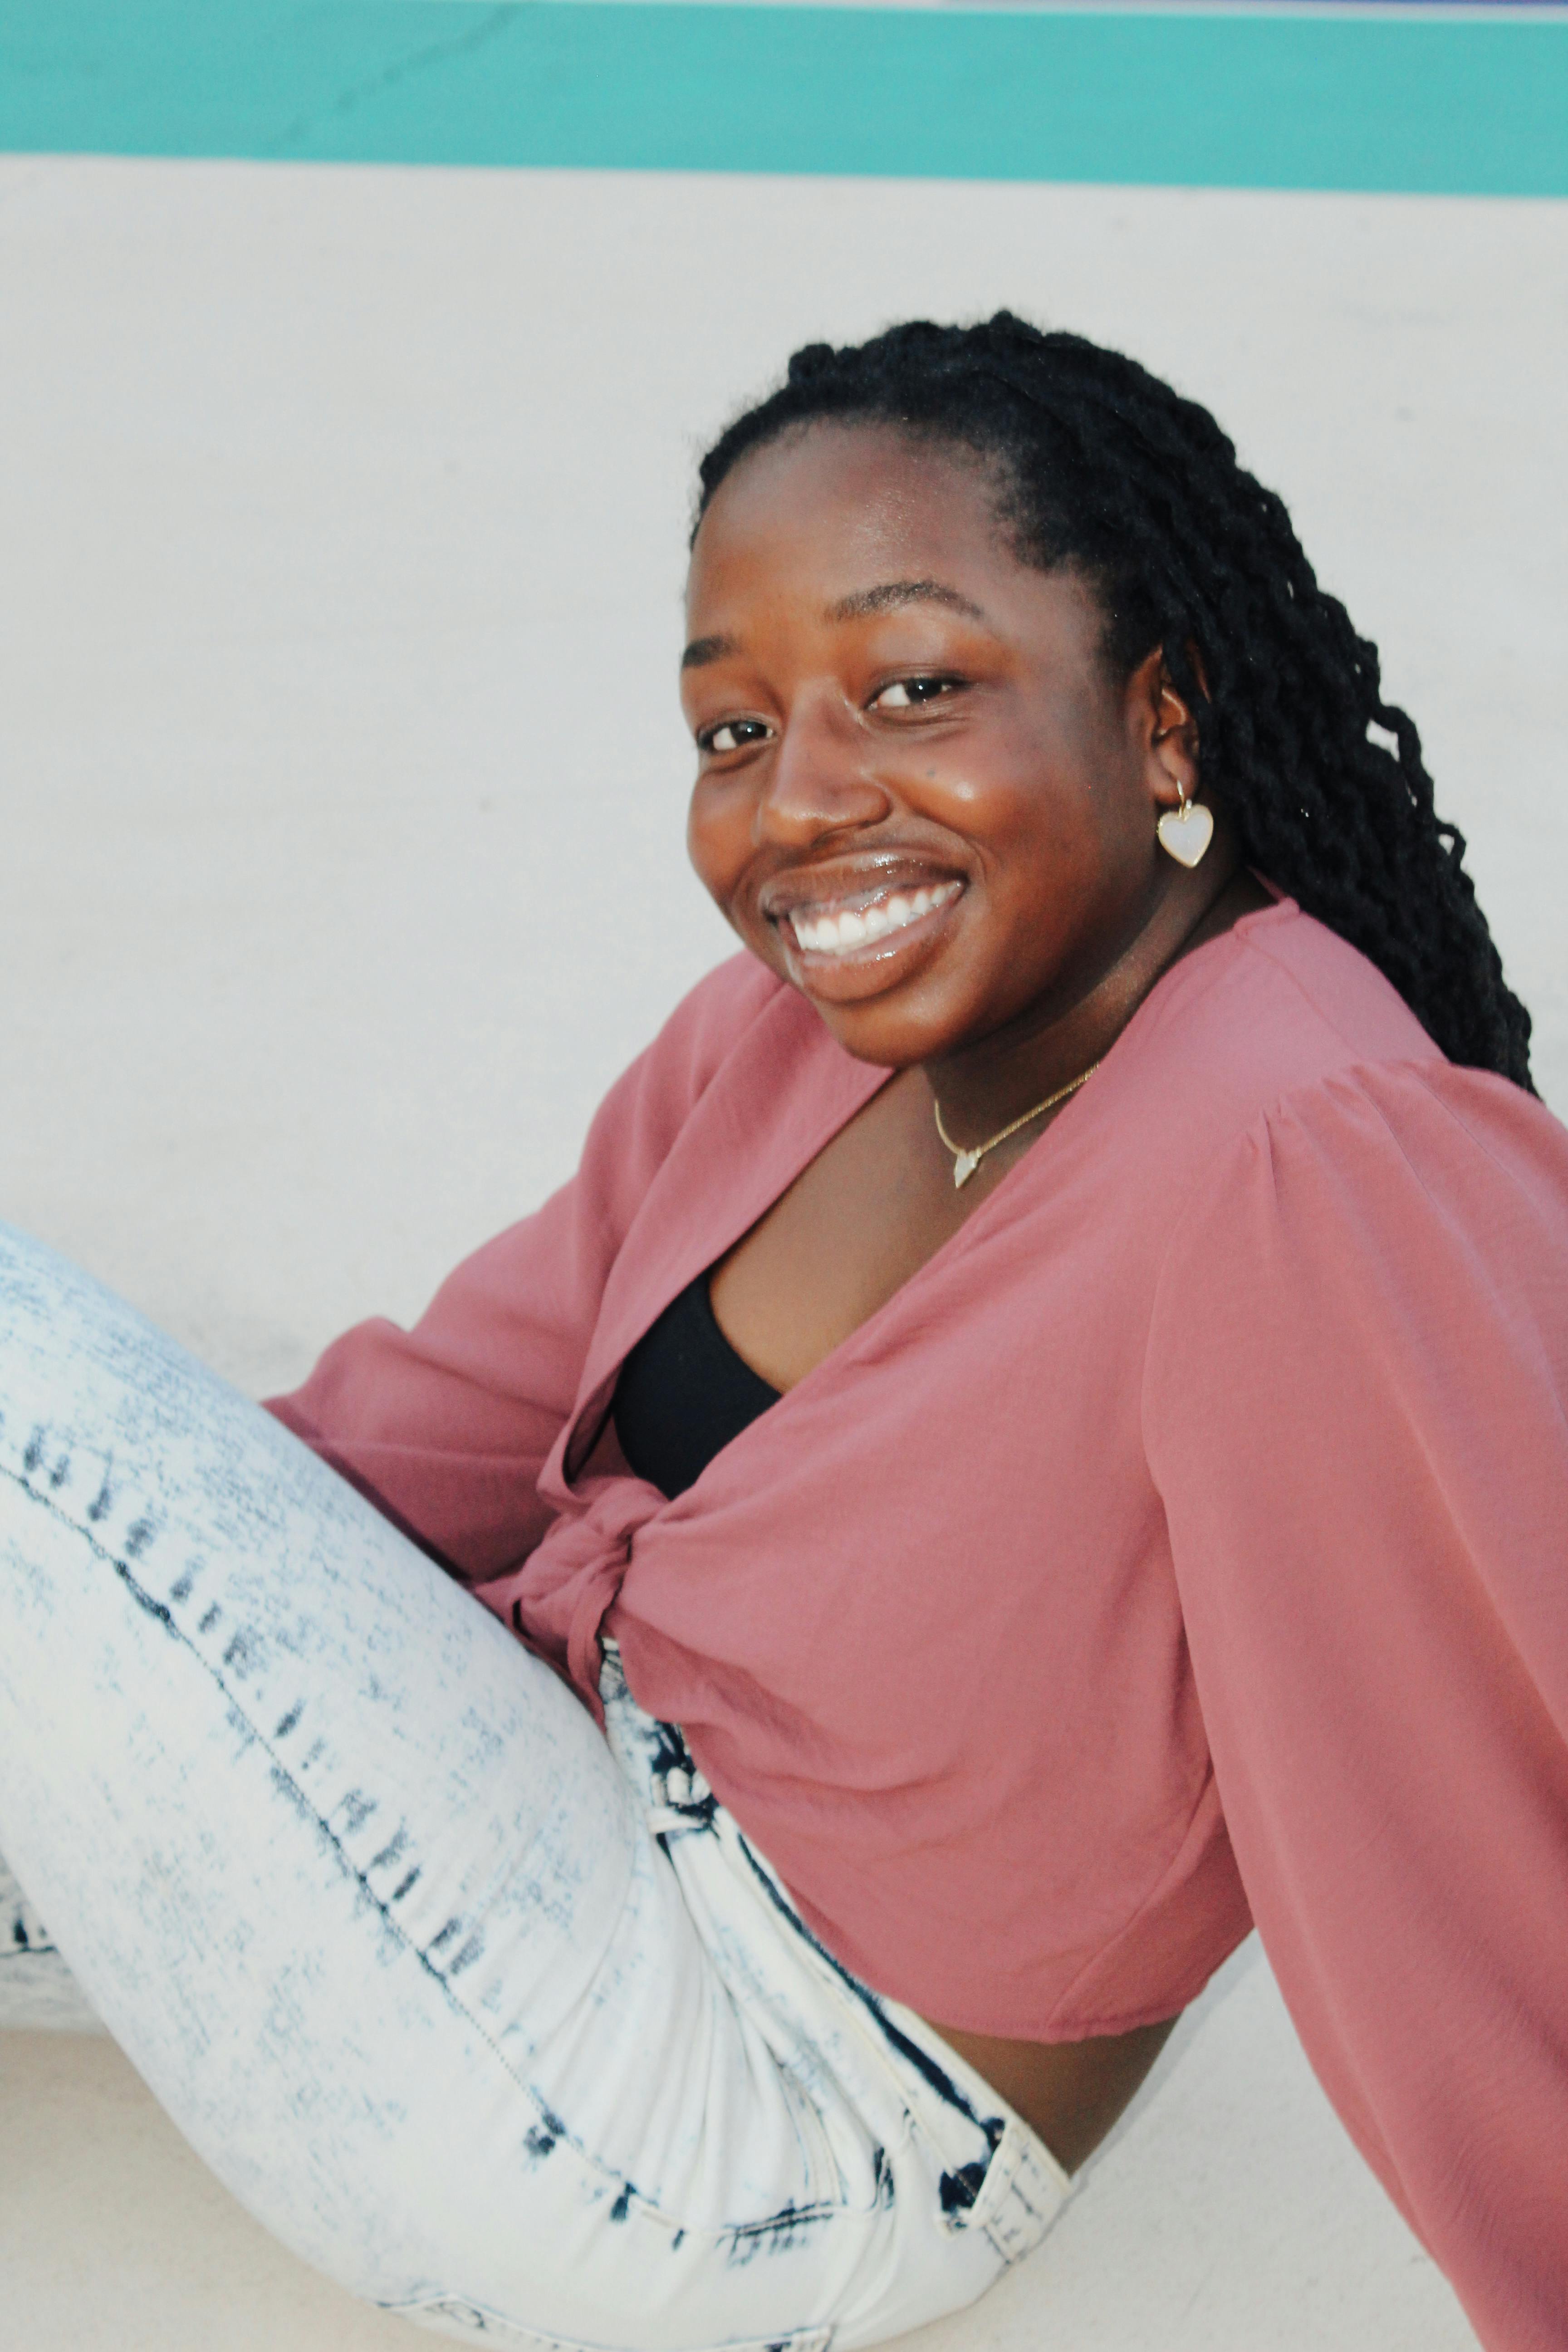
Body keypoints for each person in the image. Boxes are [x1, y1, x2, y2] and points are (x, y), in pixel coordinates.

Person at [2, 314, 1565, 2352]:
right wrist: (129, 1619)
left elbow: (1471, 1816)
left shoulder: (1301, 1150)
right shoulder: (804, 1035)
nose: (801, 805)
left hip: (764, 2123)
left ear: (1164, 721)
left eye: (916, 688)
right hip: (531, 1804)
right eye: (737, 730)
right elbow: (437, 1426)